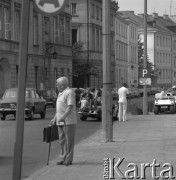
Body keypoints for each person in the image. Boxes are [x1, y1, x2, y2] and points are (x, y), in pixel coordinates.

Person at [51, 77, 77, 166]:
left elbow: (70, 107)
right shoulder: (60, 93)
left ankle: (68, 159)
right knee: (62, 140)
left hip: (68, 121)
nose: (56, 86)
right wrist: (55, 118)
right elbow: (59, 109)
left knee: (69, 141)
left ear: (62, 85)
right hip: (60, 121)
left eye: (57, 84)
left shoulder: (69, 92)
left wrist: (63, 117)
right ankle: (62, 157)